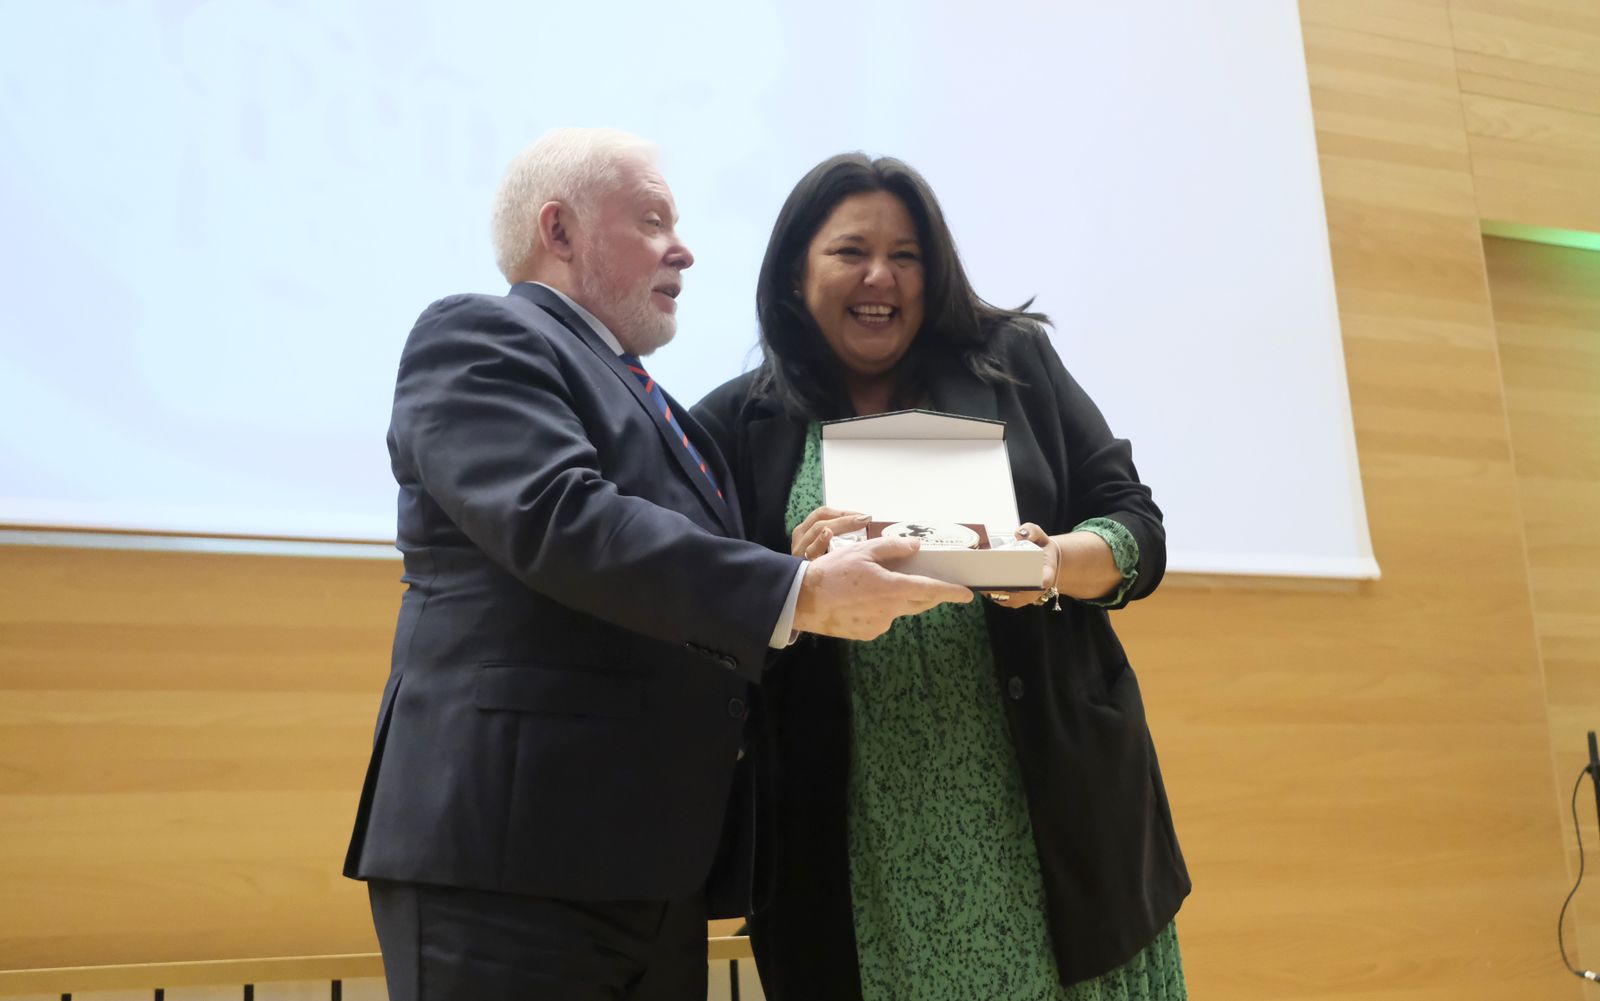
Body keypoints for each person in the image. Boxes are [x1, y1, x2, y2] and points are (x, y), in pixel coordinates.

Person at [341, 130, 973, 1001]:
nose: (684, 249)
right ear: (558, 231)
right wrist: (794, 590)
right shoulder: (481, 335)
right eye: (652, 221)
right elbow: (559, 516)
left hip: (653, 874)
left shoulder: (667, 409)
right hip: (510, 864)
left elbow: (675, 593)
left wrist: (796, 566)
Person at [692, 153, 1191, 1001]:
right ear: (795, 275)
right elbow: (707, 618)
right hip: (850, 840)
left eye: (907, 255)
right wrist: (793, 584)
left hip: (1053, 816)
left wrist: (1049, 561)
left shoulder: (1013, 365)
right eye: (851, 251)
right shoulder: (734, 422)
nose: (880, 276)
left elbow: (1135, 525)